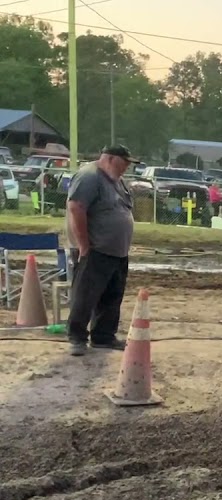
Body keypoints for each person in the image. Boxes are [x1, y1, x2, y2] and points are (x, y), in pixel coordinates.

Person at [64, 145, 139, 356]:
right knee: (85, 295)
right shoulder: (89, 177)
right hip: (95, 249)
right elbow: (76, 208)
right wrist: (84, 245)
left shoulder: (117, 181)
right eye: (124, 162)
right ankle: (77, 338)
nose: (126, 167)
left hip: (117, 251)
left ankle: (104, 337)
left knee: (112, 297)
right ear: (110, 159)